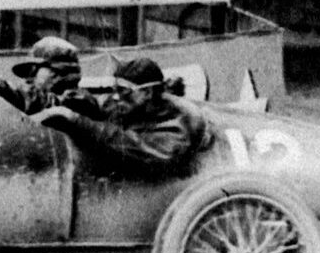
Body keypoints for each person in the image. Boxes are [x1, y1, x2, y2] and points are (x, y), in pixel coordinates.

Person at [30, 57, 209, 179]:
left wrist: (77, 121)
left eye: (123, 92)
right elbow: (105, 109)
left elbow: (132, 145)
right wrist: (76, 103)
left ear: (146, 93)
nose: (116, 97)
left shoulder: (178, 128)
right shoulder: (134, 104)